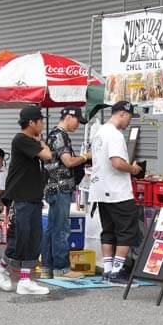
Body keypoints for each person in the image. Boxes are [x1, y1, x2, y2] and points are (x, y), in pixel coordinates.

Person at [0, 105, 52, 295]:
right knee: (20, 238)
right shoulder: (21, 139)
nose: (43, 124)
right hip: (21, 198)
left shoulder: (29, 141)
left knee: (34, 238)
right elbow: (48, 155)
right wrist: (41, 141)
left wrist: (39, 140)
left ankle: (25, 280)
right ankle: (0, 266)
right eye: (40, 121)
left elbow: (46, 158)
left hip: (33, 197)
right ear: (31, 122)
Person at [89, 101, 143, 284]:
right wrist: (133, 169)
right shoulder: (115, 135)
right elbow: (117, 162)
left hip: (100, 189)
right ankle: (118, 271)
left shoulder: (99, 133)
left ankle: (108, 269)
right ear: (122, 114)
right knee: (127, 230)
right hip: (117, 191)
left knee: (109, 230)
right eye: (129, 117)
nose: (129, 122)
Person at [40, 107, 89, 281]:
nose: (78, 125)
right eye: (77, 121)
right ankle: (61, 268)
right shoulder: (59, 135)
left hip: (53, 188)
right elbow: (68, 161)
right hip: (60, 188)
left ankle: (47, 267)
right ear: (69, 117)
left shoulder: (53, 135)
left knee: (52, 228)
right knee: (61, 229)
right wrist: (85, 157)